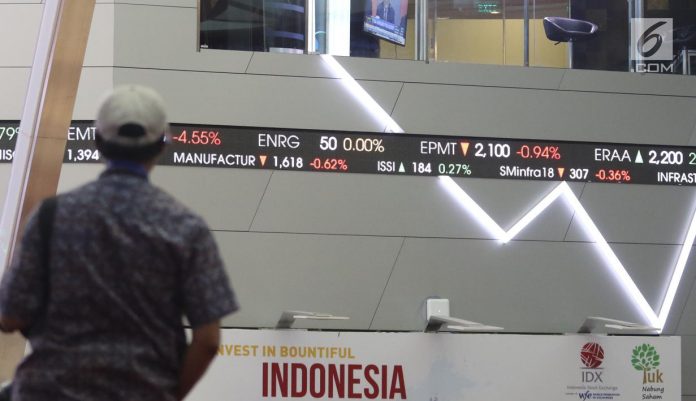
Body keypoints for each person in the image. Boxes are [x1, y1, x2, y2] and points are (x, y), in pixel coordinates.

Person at [0, 85, 239, 400]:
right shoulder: (186, 228)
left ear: (98, 141)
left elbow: (10, 316)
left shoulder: (51, 217)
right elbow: (208, 341)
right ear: (162, 144)